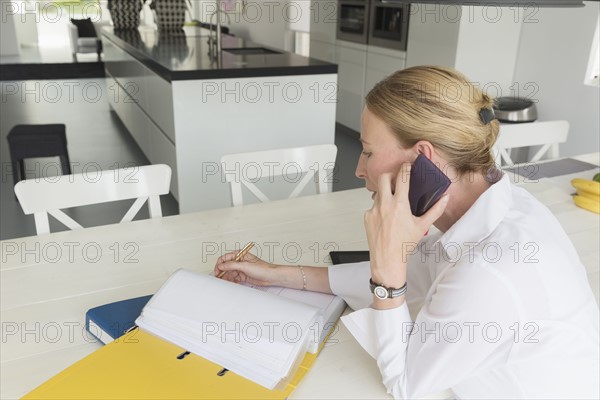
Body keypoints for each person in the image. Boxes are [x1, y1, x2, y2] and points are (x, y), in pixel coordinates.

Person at [214, 66, 599, 399]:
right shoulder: (502, 205)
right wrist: (277, 274)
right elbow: (418, 272)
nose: (359, 170)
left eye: (366, 151)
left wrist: (386, 273)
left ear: (423, 158)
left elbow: (405, 384)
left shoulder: (490, 271)